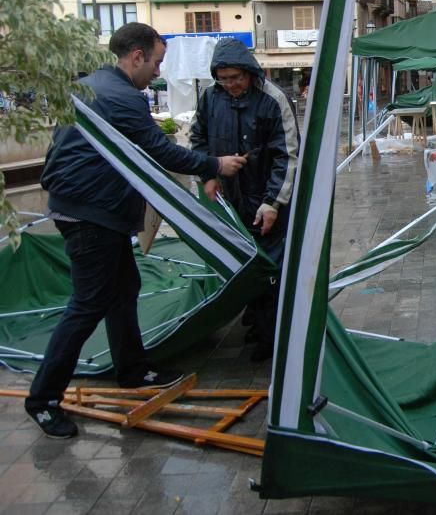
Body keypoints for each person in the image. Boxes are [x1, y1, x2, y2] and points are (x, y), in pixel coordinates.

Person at [27, 23, 248, 439]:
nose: (159, 72)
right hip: (90, 214)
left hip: (87, 208)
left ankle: (131, 369)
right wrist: (216, 165)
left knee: (124, 287)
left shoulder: (92, 85)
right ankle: (42, 400)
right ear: (137, 56)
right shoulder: (122, 97)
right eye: (158, 62)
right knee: (87, 305)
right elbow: (160, 150)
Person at [191, 38, 300, 363]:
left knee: (269, 270)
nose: (231, 85)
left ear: (250, 73)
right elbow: (198, 138)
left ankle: (272, 338)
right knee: (243, 265)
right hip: (231, 201)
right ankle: (255, 324)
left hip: (267, 202)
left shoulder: (273, 99)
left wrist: (273, 202)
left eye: (236, 78)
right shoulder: (210, 97)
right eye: (224, 79)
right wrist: (208, 174)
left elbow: (288, 154)